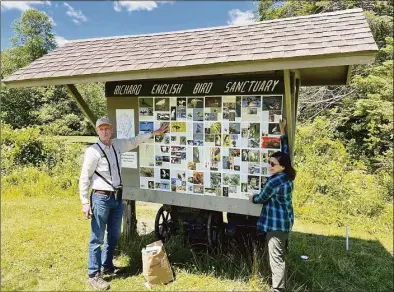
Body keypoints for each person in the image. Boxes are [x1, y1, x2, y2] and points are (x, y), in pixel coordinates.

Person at [79, 117, 168, 290]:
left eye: (107, 128)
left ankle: (108, 266)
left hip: (117, 198)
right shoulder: (93, 151)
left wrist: (154, 133)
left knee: (113, 235)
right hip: (101, 197)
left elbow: (134, 140)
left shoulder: (117, 145)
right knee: (97, 237)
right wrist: (84, 202)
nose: (104, 131)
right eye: (101, 129)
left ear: (111, 130)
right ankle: (93, 275)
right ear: (97, 131)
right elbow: (84, 177)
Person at [248, 118, 296, 292]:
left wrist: (252, 198)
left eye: (272, 164)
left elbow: (261, 198)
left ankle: (278, 289)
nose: (269, 166)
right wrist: (282, 133)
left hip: (275, 225)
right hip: (285, 220)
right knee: (280, 253)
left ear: (281, 167)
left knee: (276, 258)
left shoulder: (273, 183)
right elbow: (285, 154)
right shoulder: (288, 175)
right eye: (269, 162)